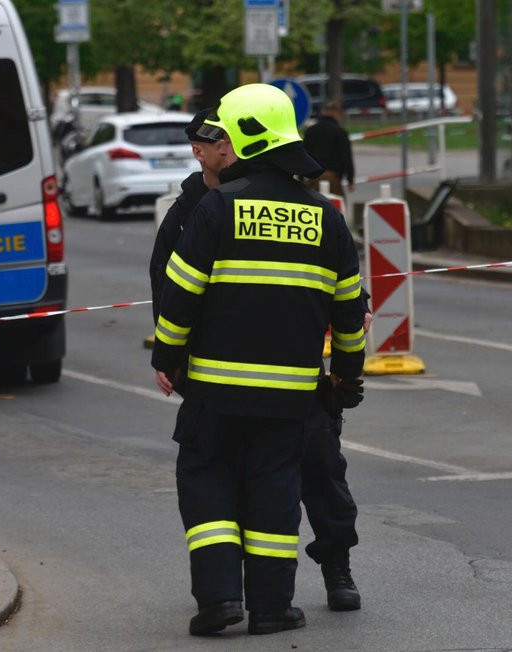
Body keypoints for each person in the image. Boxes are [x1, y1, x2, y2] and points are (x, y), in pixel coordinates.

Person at [151, 83, 366, 636]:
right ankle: (272, 608)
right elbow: (349, 314)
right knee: (275, 495)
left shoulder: (217, 207)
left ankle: (221, 600)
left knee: (208, 484)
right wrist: (346, 376)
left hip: (214, 393)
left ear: (245, 136)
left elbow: (179, 294)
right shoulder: (326, 218)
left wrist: (169, 358)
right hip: (289, 398)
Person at [150, 109, 233, 326]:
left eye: (232, 142)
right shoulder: (181, 214)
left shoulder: (253, 200)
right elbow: (163, 283)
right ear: (198, 152)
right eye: (219, 146)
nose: (228, 150)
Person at [302, 100, 355, 198]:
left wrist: (301, 177)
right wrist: (350, 180)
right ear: (337, 113)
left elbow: (303, 154)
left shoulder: (310, 131)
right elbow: (346, 157)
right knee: (337, 208)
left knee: (312, 209)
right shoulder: (339, 132)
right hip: (332, 178)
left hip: (313, 178)